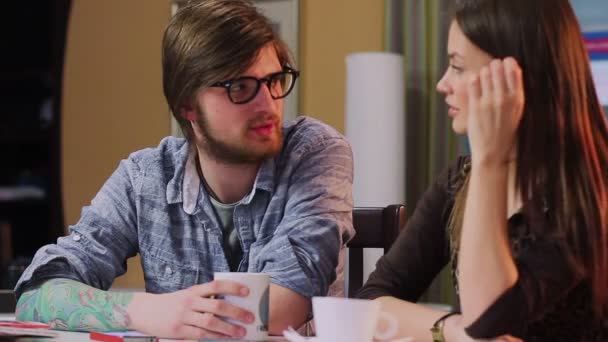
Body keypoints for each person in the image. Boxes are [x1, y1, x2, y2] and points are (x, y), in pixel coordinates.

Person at [13, 0, 354, 340]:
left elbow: (284, 308)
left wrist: (183, 314)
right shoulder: (145, 177)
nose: (269, 103)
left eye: (275, 80)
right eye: (240, 87)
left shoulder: (314, 152)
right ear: (187, 105)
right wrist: (143, 311)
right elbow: (36, 296)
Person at [357, 0, 608, 341]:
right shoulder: (458, 179)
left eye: (458, 67)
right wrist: (448, 330)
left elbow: (489, 320)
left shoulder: (589, 190)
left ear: (516, 77)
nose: (442, 84)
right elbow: (372, 301)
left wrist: (490, 158)